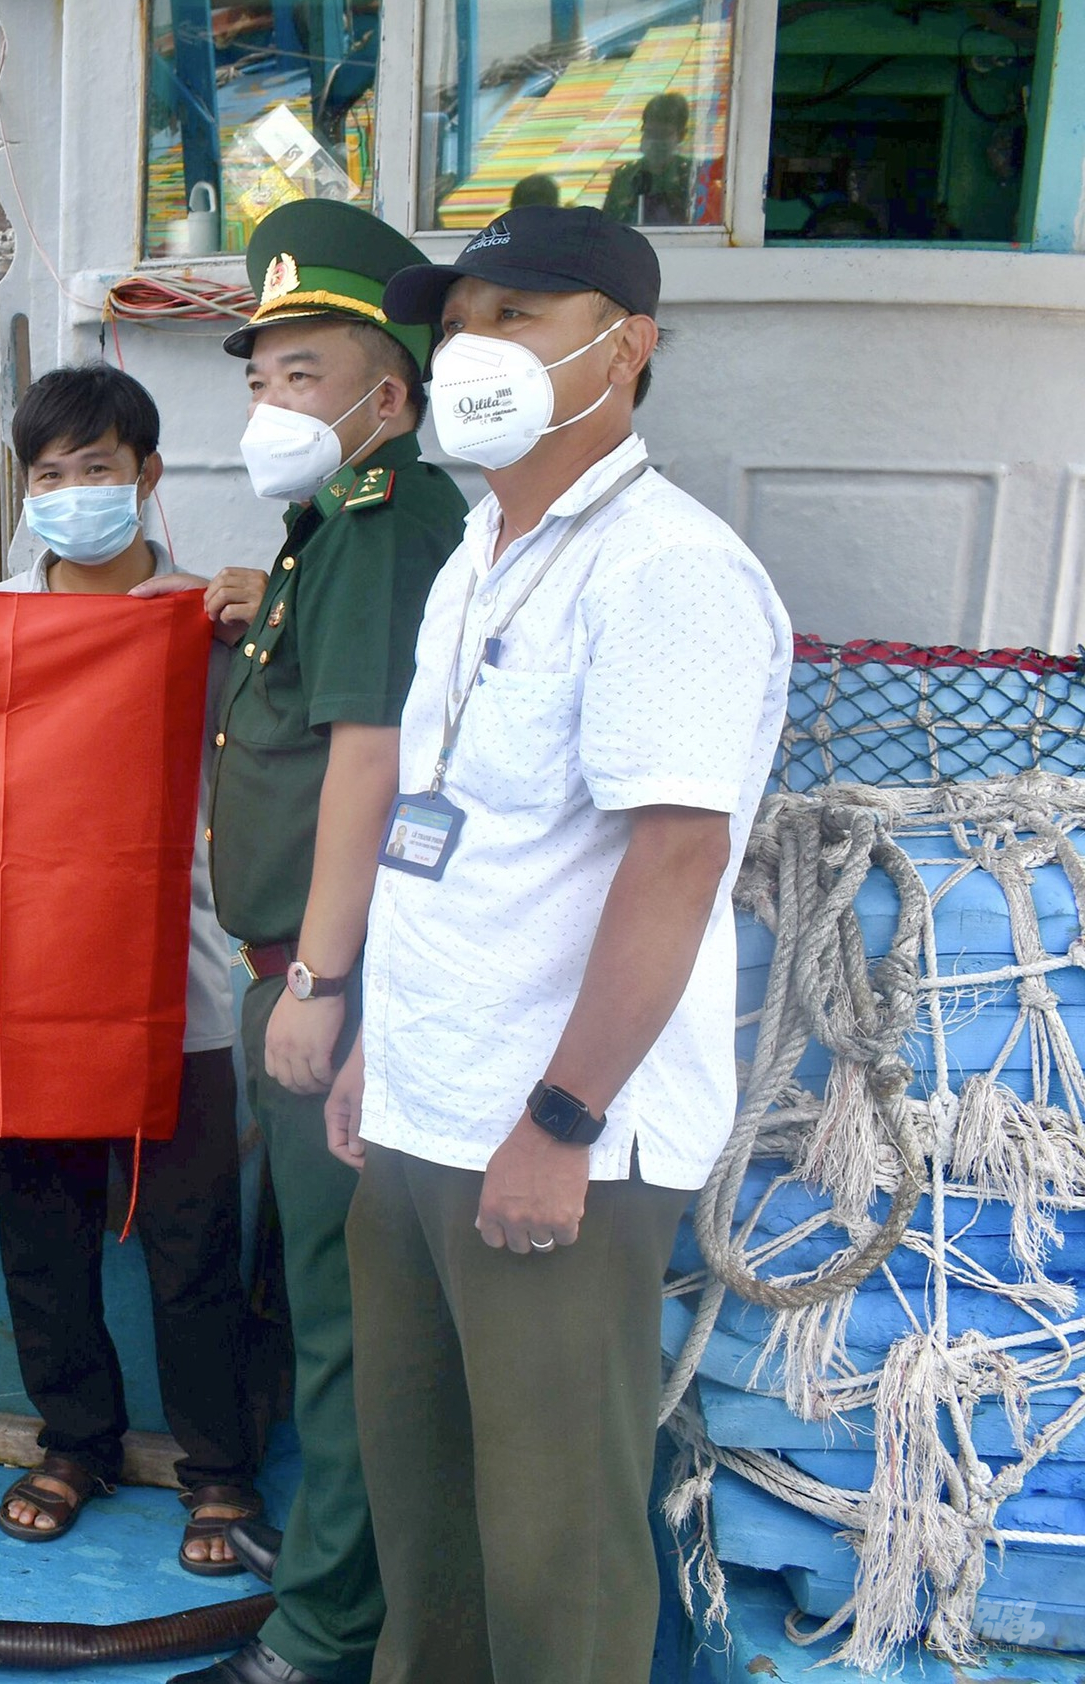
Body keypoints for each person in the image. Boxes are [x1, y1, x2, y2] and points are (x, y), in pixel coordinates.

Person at [335, 204, 790, 1683]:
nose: (476, 346)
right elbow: (450, 827)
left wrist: (562, 1118)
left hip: (552, 1140)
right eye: (462, 318)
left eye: (520, 317)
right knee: (432, 1527)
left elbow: (675, 859)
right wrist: (372, 1063)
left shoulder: (666, 568)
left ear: (628, 348)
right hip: (423, 1109)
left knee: (556, 1551)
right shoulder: (482, 548)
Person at [167, 199, 468, 1684]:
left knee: (347, 1313)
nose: (270, 403)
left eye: (304, 375)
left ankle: (327, 1633)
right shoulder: (326, 530)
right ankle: (348, 1550)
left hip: (326, 972)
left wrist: (322, 985)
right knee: (324, 1287)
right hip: (299, 958)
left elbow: (369, 757)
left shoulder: (377, 525)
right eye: (259, 374)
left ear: (388, 394)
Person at [0, 364, 271, 1581]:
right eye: (50, 475)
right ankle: (75, 1442)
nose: (74, 493)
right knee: (40, 1238)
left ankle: (218, 1469)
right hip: (19, 985)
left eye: (97, 469)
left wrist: (272, 627)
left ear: (147, 476)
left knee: (190, 1237)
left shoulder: (204, 617)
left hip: (181, 987)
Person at [601, 91, 693, 226]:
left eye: (663, 134)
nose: (655, 142)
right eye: (650, 133)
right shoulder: (624, 178)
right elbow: (607, 229)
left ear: (681, 135)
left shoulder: (692, 178)